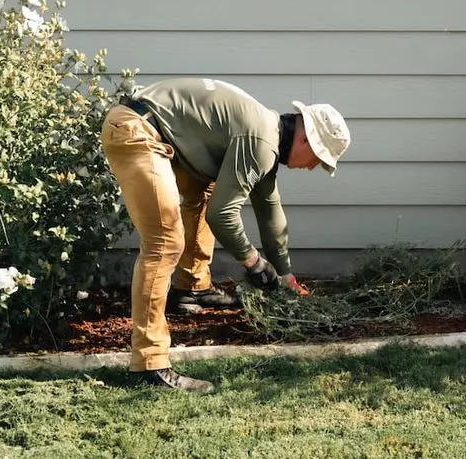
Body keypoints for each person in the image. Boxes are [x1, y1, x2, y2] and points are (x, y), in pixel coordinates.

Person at [100, 77, 351, 393]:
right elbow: (222, 216)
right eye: (318, 158)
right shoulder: (261, 141)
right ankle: (149, 365)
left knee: (203, 193)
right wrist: (253, 262)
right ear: (306, 140)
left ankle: (192, 288)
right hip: (137, 130)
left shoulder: (267, 135)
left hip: (153, 130)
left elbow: (270, 211)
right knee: (165, 242)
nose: (314, 167)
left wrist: (286, 277)